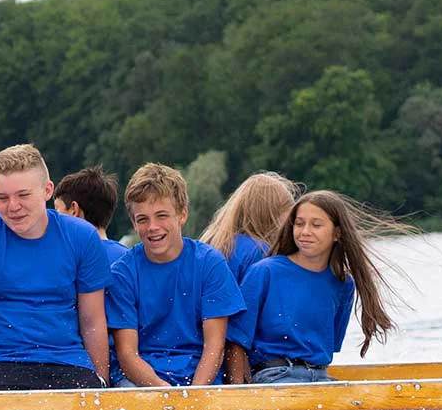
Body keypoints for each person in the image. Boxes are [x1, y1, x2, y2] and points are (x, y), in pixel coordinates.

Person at [0, 144, 112, 392]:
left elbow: (92, 321)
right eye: (2, 198)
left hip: (68, 364)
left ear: (47, 190)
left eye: (23, 195)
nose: (13, 206)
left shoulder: (82, 237)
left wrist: (101, 386)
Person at [227, 190, 413, 384]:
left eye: (316, 225)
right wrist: (239, 393)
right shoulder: (264, 272)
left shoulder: (343, 284)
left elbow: (326, 348)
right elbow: (235, 341)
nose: (305, 231)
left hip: (320, 377)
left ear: (337, 233)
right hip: (274, 376)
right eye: (299, 224)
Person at [109, 162, 243, 387]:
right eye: (143, 219)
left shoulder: (210, 264)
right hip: (141, 378)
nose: (153, 227)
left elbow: (215, 347)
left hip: (199, 374)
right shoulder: (123, 273)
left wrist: (193, 396)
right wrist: (163, 392)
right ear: (133, 222)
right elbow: (127, 354)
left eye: (162, 216)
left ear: (182, 215)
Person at [200, 172, 298, 281]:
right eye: (289, 214)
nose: (291, 223)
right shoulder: (260, 251)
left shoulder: (213, 243)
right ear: (270, 213)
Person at [52, 167, 129, 264]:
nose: (54, 218)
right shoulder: (129, 260)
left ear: (73, 210)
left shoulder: (64, 263)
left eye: (57, 209)